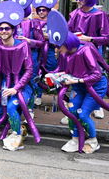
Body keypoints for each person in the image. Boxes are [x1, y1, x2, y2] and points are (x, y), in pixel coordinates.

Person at [46, 10, 108, 153]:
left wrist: (78, 79)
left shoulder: (85, 49)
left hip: (95, 87)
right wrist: (52, 75)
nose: (56, 49)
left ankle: (93, 140)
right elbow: (61, 69)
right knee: (72, 111)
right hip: (78, 87)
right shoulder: (64, 53)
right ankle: (75, 139)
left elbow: (97, 75)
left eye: (58, 46)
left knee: (83, 114)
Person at [0, 1, 36, 151]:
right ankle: (19, 126)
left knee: (10, 108)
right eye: (0, 28)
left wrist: (16, 88)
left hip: (22, 87)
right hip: (4, 85)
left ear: (13, 29)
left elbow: (29, 70)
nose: (3, 31)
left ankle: (17, 134)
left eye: (7, 28)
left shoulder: (22, 45)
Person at [67, 0, 109, 120]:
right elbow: (68, 31)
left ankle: (97, 105)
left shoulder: (99, 15)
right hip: (76, 53)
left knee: (95, 78)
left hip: (93, 52)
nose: (78, 0)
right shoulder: (74, 14)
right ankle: (75, 107)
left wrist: (89, 38)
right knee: (75, 79)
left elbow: (106, 38)